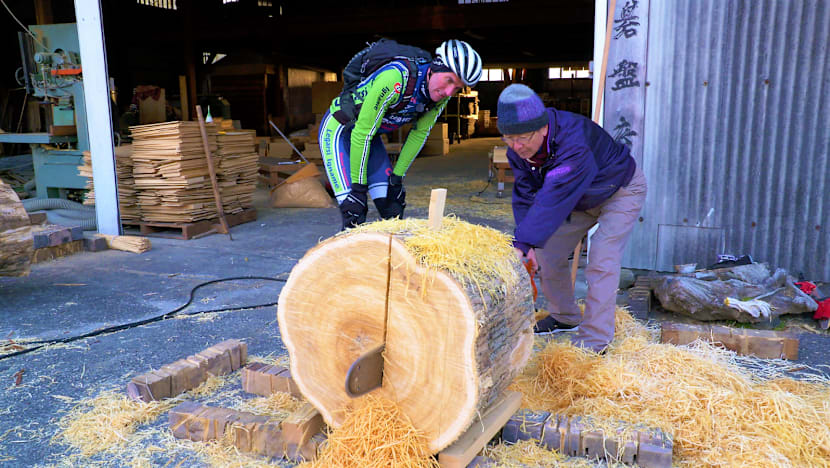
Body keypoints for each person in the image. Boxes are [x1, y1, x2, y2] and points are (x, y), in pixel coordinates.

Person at [496, 84, 647, 353]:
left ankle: (595, 340)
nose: (517, 146)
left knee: (601, 258)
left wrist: (524, 240)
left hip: (619, 190)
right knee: (548, 252)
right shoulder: (518, 150)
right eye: (509, 138)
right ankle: (565, 317)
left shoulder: (573, 140)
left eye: (523, 138)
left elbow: (553, 196)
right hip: (578, 199)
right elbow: (526, 194)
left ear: (543, 128)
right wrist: (526, 243)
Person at [319, 39, 482, 230]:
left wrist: (397, 178)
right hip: (340, 131)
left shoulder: (440, 97)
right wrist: (358, 187)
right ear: (435, 67)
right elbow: (361, 134)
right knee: (354, 211)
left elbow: (419, 134)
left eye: (456, 88)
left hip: (369, 138)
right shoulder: (396, 78)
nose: (448, 92)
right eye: (449, 80)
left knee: (392, 210)